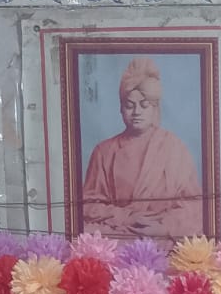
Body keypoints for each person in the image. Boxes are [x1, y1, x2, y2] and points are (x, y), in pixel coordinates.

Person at [82, 56, 203, 240]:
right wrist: (127, 217)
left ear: (155, 108)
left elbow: (195, 206)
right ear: (121, 108)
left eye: (144, 105)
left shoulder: (174, 148)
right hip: (118, 233)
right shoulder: (104, 152)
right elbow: (87, 206)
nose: (137, 112)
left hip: (163, 237)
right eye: (130, 105)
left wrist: (165, 228)